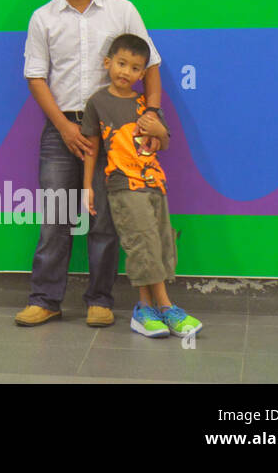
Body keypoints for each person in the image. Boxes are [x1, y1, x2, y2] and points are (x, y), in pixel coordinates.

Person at [17, 0, 164, 327]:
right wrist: (65, 127)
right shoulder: (43, 18)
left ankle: (100, 300)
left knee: (105, 218)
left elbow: (151, 65)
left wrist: (151, 116)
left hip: (116, 132)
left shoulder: (122, 11)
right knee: (55, 217)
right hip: (62, 128)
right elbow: (35, 77)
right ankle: (45, 299)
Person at [81, 33, 202, 338]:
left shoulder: (144, 106)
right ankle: (166, 306)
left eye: (135, 68)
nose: (126, 72)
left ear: (143, 74)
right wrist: (87, 187)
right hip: (123, 184)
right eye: (121, 63)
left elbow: (162, 142)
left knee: (159, 242)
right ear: (108, 63)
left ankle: (144, 309)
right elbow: (92, 149)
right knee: (143, 241)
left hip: (154, 183)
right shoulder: (98, 102)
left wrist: (161, 130)